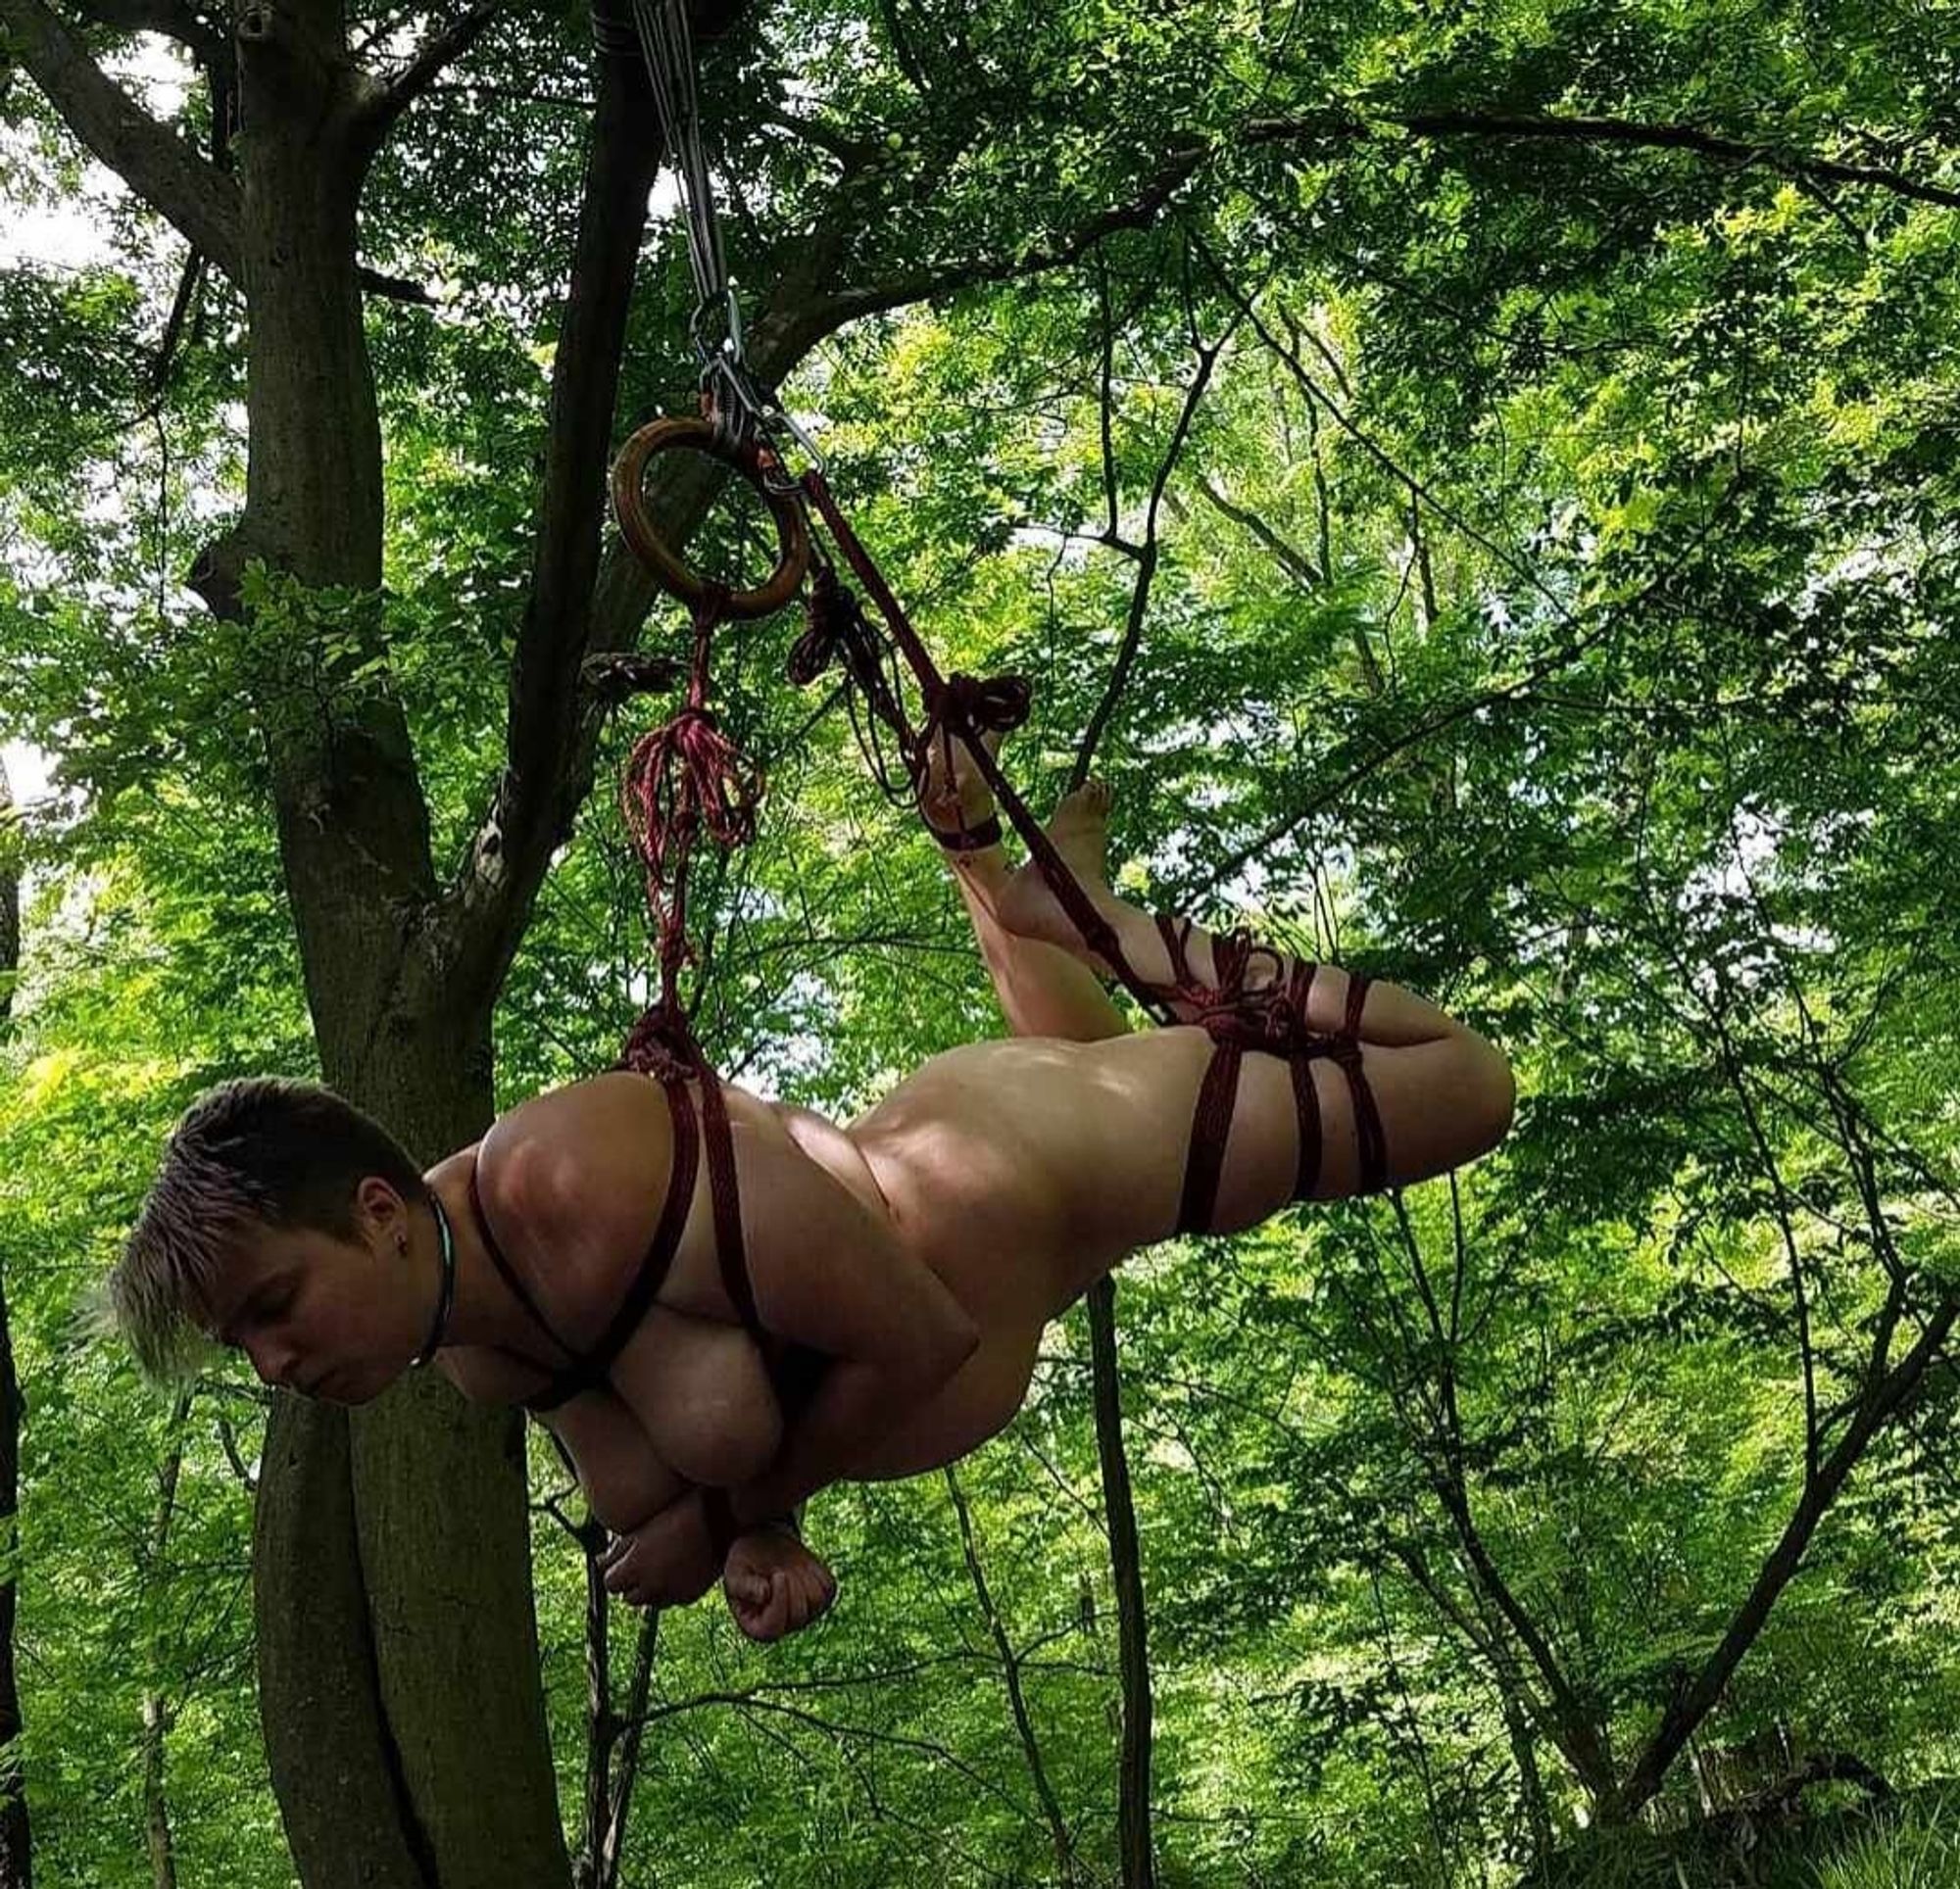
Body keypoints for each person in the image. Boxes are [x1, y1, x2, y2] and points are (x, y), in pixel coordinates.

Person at [108, 754, 1514, 1642]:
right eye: (246, 1346)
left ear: (374, 1210)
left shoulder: (573, 1176)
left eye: (273, 1307)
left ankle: (1107, 928)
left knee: (1466, 1081)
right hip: (1012, 1115)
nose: (276, 1365)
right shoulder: (483, 1353)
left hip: (1110, 1145)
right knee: (1090, 1046)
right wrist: (765, 1540)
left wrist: (725, 1520)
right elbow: (742, 1417)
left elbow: (919, 1331)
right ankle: (1018, 890)